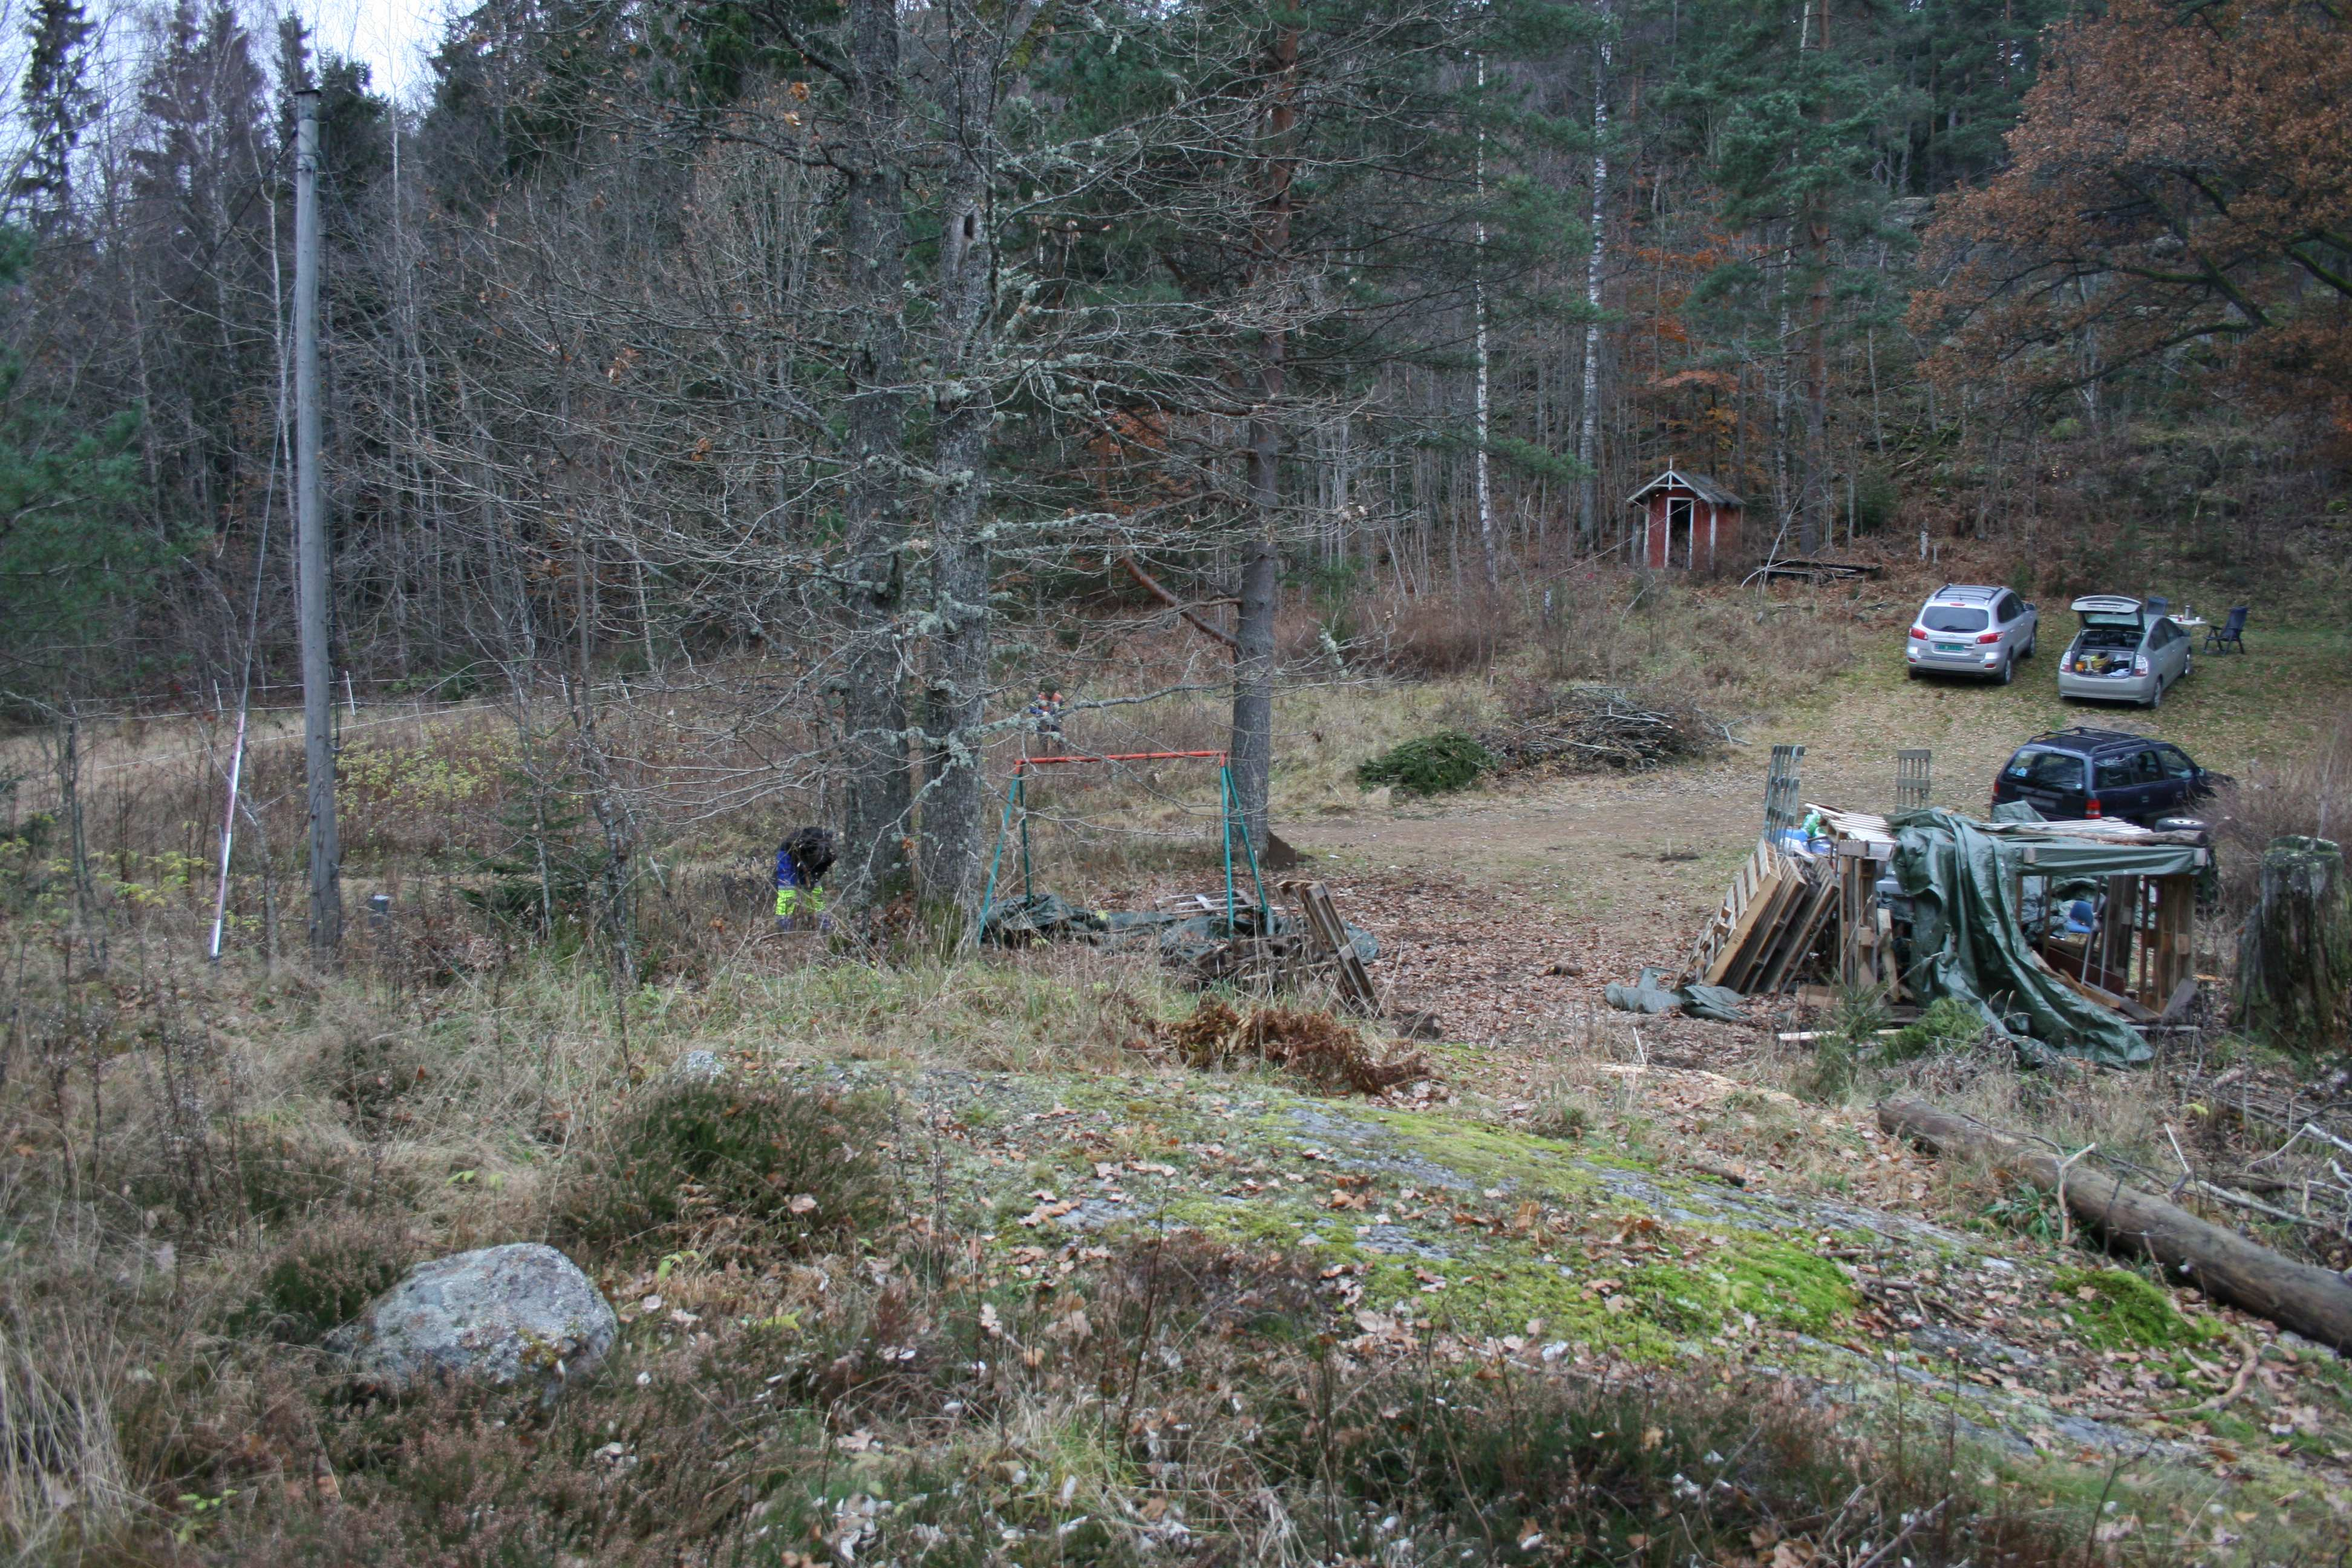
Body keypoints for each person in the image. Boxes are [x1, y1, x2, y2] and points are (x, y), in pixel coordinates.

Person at [774, 826, 836, 932]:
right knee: (787, 889)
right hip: (788, 854)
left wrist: (814, 879)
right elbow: (792, 846)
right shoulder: (814, 840)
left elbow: (821, 868)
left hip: (807, 861)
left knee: (815, 890)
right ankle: (784, 923)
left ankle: (819, 920)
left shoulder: (832, 854)